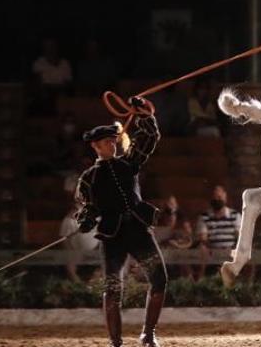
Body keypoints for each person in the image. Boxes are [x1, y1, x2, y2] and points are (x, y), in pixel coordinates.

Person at [74, 96, 166, 347]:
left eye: (114, 141)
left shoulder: (129, 163)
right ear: (96, 146)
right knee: (113, 288)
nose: (113, 145)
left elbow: (150, 139)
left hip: (137, 229)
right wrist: (85, 220)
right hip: (112, 236)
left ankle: (148, 334)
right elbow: (86, 209)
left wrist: (143, 114)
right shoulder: (88, 178)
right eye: (107, 142)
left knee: (160, 279)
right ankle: (115, 342)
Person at [195, 185, 241, 276]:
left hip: (231, 253)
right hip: (212, 253)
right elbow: (203, 238)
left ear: (225, 197)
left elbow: (240, 236)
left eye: (219, 197)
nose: (217, 200)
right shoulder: (204, 217)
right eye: (215, 197)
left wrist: (233, 249)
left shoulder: (235, 215)